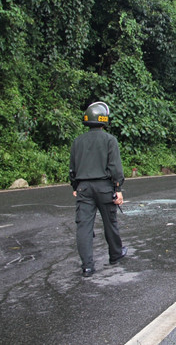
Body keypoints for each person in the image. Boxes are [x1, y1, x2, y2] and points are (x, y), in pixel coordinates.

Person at [69, 101, 127, 277]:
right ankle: (115, 255)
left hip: (83, 188)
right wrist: (118, 188)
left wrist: (75, 186)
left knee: (84, 226)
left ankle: (87, 266)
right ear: (104, 119)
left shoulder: (77, 141)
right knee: (110, 222)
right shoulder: (110, 140)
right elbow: (115, 167)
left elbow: (73, 168)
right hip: (104, 187)